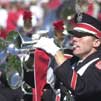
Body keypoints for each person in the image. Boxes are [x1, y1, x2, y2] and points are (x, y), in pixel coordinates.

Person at [34, 12, 101, 101]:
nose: (74, 39)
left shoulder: (98, 63)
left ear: (96, 42)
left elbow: (82, 89)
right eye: (74, 35)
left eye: (80, 35)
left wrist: (56, 52)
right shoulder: (74, 62)